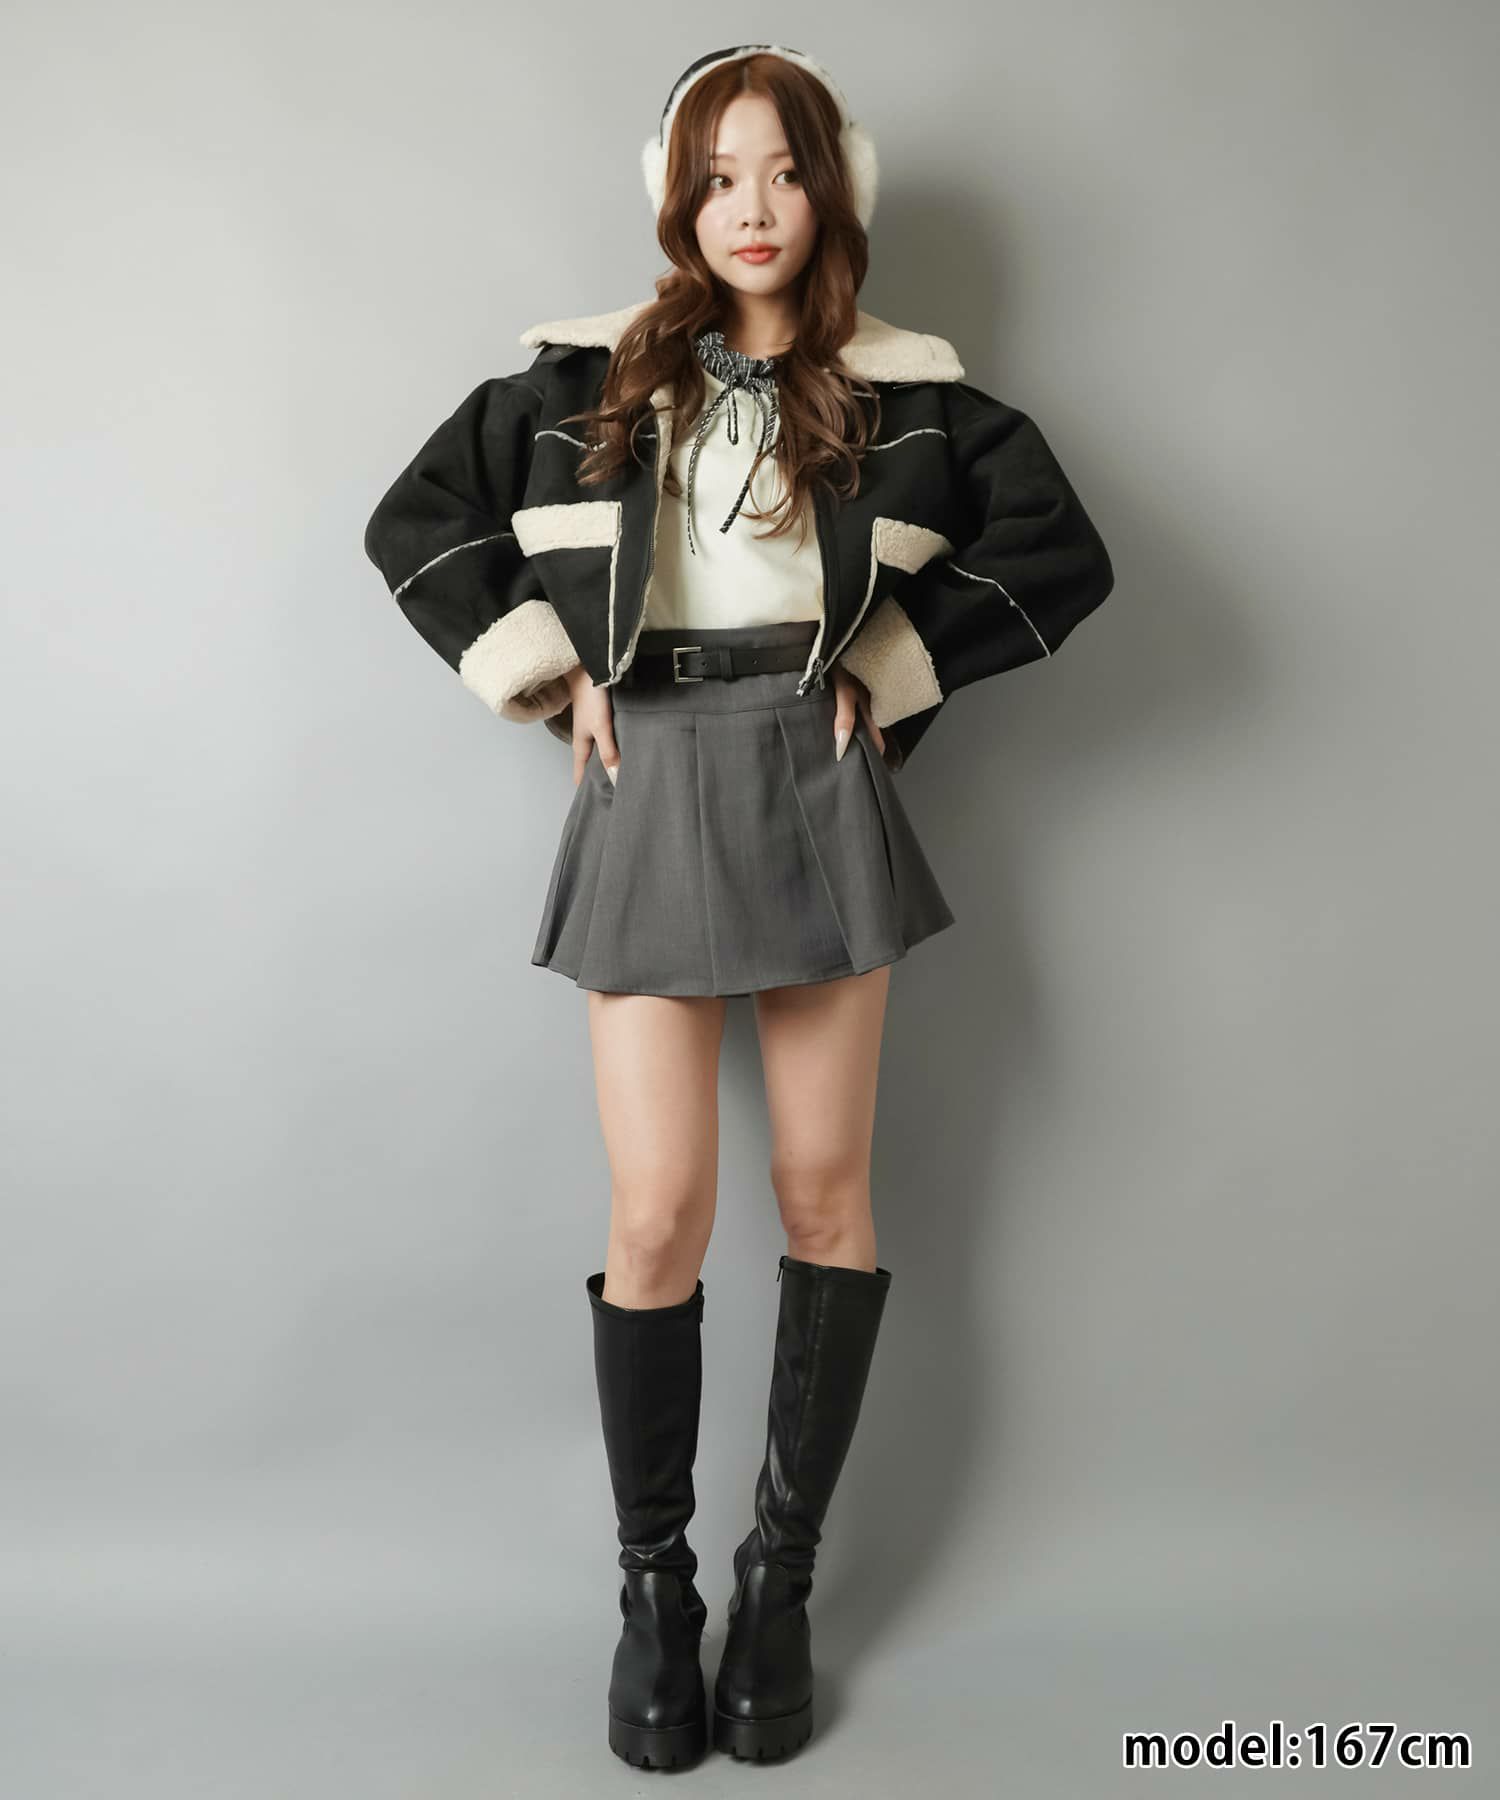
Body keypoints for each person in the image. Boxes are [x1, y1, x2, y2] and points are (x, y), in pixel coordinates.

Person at [363, 42, 1115, 1769]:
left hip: (813, 774)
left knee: (823, 1191)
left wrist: (896, 667)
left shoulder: (910, 396)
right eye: (718, 176)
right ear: (676, 197)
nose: (752, 207)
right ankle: (657, 1595)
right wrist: (553, 670)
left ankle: (780, 1584)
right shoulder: (584, 379)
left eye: (782, 172)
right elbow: (419, 519)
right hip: (648, 772)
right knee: (659, 1215)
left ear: (832, 189)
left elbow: (1061, 549)